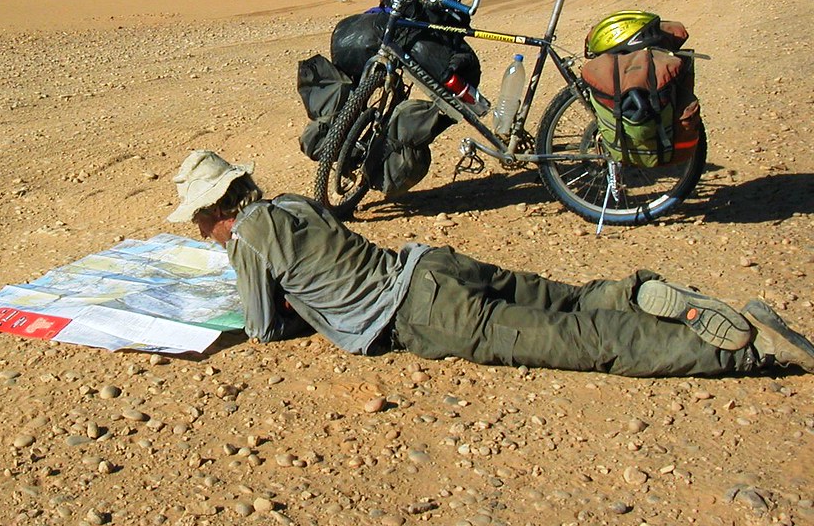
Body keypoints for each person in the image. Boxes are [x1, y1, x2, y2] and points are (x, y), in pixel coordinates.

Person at [168, 150, 814, 377]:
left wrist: (282, 304)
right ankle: (635, 292)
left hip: (423, 313)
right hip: (432, 265)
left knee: (573, 343)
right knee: (561, 298)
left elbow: (261, 328)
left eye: (198, 222)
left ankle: (750, 350)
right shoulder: (294, 203)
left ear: (214, 209)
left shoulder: (247, 237)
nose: (199, 232)